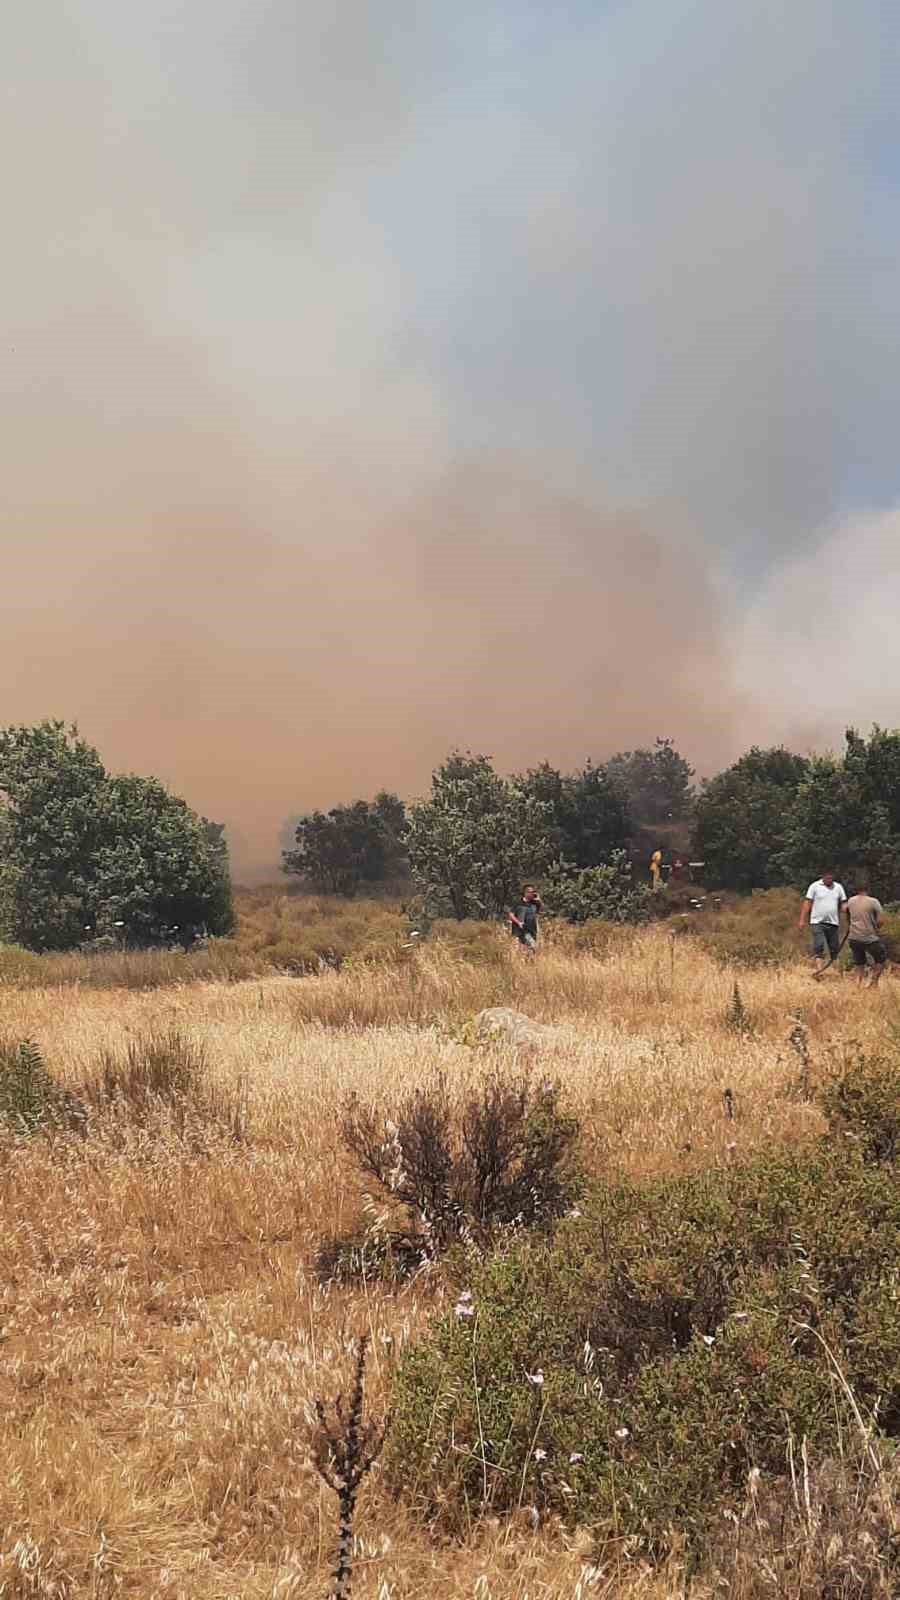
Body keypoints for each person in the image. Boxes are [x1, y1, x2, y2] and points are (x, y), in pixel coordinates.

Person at [798, 869, 848, 969]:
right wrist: (802, 919)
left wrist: (846, 909)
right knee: (819, 944)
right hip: (817, 921)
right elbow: (807, 902)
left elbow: (843, 902)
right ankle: (819, 969)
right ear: (823, 876)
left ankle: (834, 969)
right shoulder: (815, 886)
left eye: (831, 877)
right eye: (827, 877)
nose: (830, 879)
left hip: (833, 922)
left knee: (834, 947)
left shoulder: (838, 887)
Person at [845, 879, 888, 988]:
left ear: (856, 889)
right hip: (869, 937)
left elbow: (846, 913)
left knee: (859, 962)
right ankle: (873, 983)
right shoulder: (873, 901)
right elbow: (881, 920)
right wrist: (876, 928)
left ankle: (857, 985)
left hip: (854, 937)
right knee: (881, 958)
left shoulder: (851, 901)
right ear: (868, 889)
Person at [509, 885, 542, 951]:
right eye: (530, 892)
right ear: (525, 893)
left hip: (532, 930)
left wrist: (539, 900)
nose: (532, 894)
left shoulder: (535, 903)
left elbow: (541, 911)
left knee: (530, 950)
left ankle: (528, 961)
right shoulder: (518, 902)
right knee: (527, 948)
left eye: (533, 892)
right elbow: (511, 914)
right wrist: (518, 923)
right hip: (520, 930)